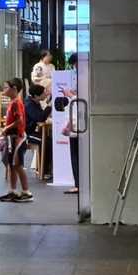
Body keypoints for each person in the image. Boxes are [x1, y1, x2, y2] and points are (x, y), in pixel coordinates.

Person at [0, 78, 32, 203]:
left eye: (6, 87)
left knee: (17, 165)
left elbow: (19, 121)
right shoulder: (13, 102)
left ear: (14, 89)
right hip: (11, 138)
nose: (4, 90)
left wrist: (5, 128)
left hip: (17, 138)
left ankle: (26, 192)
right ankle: (12, 191)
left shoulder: (17, 103)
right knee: (12, 165)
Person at [25, 83, 52, 179]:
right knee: (46, 142)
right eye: (44, 93)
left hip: (31, 131)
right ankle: (44, 171)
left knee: (48, 139)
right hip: (26, 134)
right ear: (36, 96)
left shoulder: (35, 102)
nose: (46, 95)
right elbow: (40, 118)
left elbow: (41, 116)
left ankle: (43, 169)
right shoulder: (29, 104)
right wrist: (49, 106)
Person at [62, 53, 80, 195]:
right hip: (79, 121)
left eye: (75, 64)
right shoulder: (83, 77)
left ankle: (78, 184)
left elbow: (80, 100)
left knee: (75, 154)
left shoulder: (83, 78)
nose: (75, 67)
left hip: (78, 122)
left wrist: (70, 94)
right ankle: (79, 183)